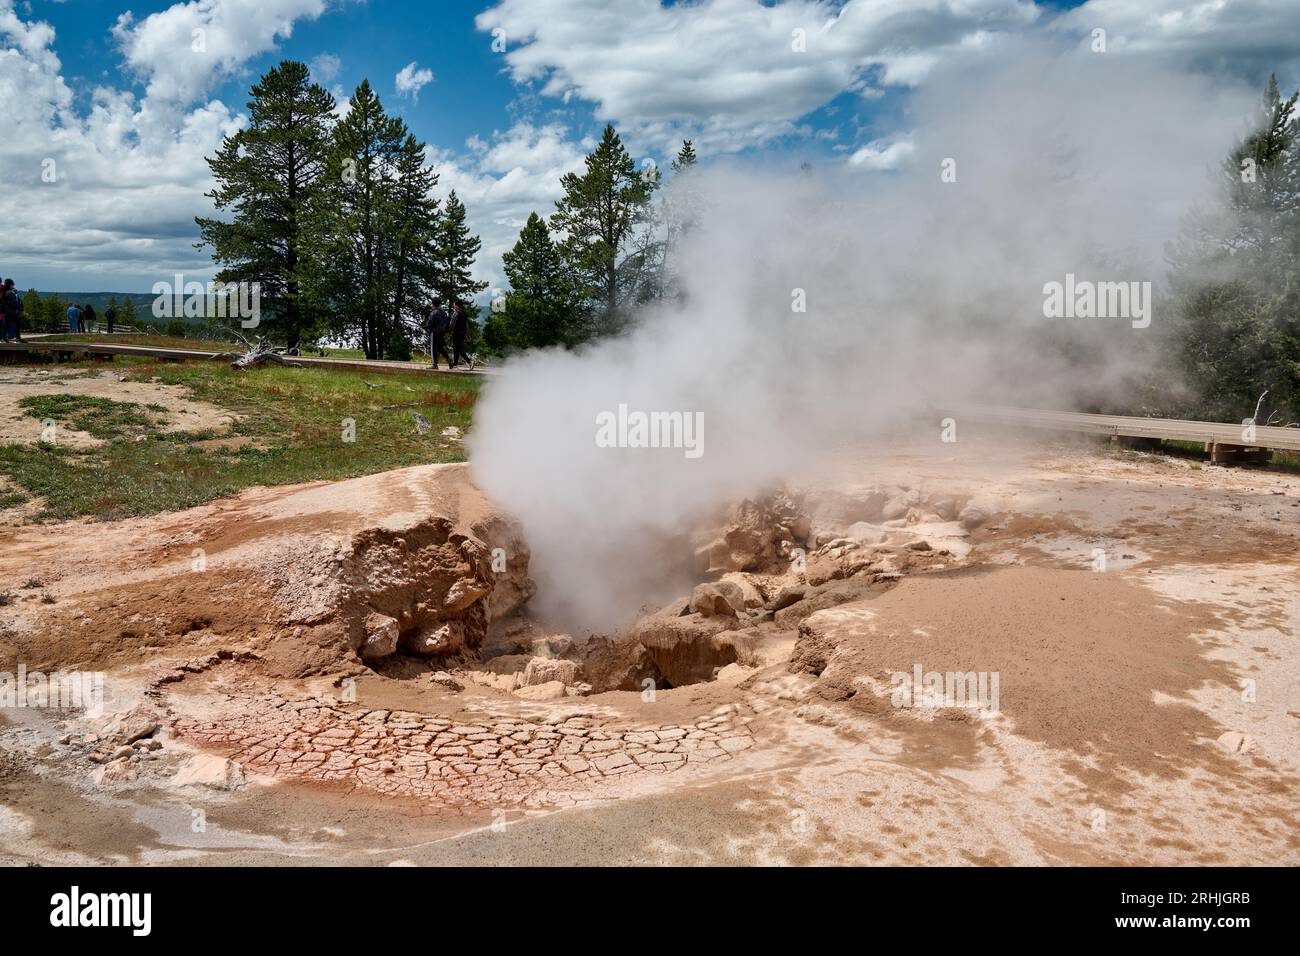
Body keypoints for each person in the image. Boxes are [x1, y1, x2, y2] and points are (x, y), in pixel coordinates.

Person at [424, 297, 451, 369]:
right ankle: (449, 360)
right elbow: (448, 322)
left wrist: (428, 329)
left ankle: (434, 364)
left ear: (433, 304)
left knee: (433, 349)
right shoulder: (444, 312)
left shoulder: (433, 312)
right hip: (442, 333)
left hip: (434, 332)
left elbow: (430, 323)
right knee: (440, 348)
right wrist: (446, 331)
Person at [449, 300, 475, 371]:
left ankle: (469, 361)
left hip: (456, 333)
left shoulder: (456, 313)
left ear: (457, 305)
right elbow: (466, 325)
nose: (453, 306)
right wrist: (467, 334)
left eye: (454, 304)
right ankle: (455, 365)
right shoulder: (464, 313)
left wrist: (449, 331)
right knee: (457, 349)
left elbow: (452, 324)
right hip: (462, 334)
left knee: (458, 349)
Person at [0, 279, 23, 343]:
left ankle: (4, 338)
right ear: (10, 284)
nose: (13, 285)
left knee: (6, 325)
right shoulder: (9, 292)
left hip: (6, 311)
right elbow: (13, 302)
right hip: (10, 311)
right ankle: (17, 338)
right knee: (17, 323)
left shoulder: (5, 291)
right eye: (13, 284)